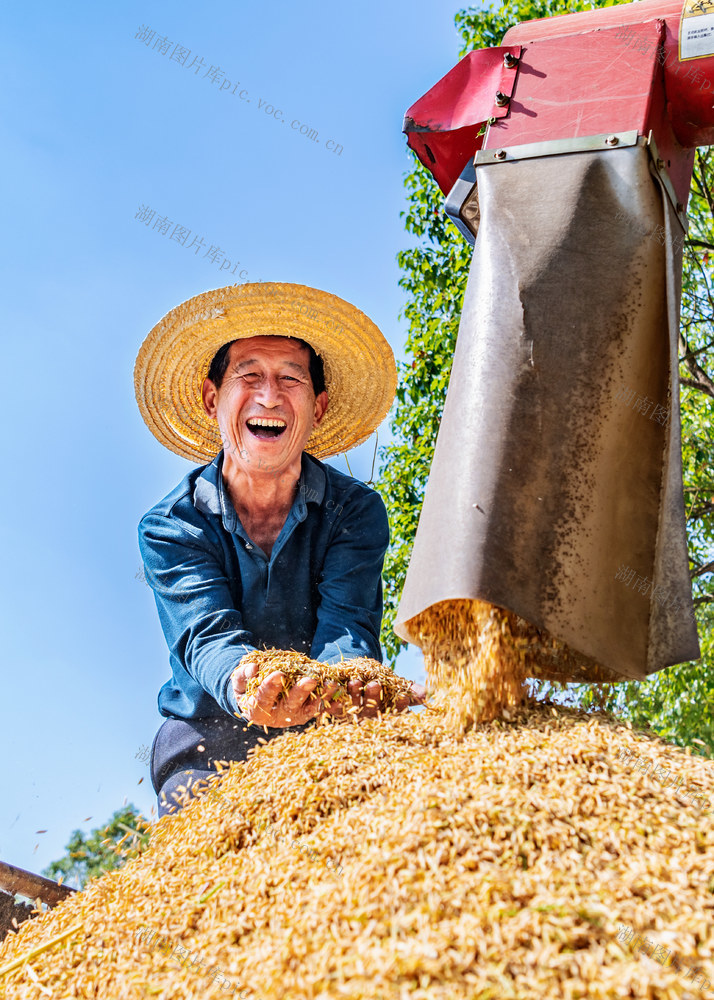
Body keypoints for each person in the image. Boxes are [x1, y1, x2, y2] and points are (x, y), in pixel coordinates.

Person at [134, 282, 425, 816]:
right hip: (208, 737)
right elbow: (207, 640)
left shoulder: (353, 513)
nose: (269, 396)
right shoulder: (172, 527)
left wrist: (345, 682)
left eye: (290, 378)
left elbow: (347, 629)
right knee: (209, 839)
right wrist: (249, 682)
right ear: (211, 398)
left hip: (330, 723)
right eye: (249, 376)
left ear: (318, 406)